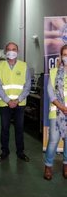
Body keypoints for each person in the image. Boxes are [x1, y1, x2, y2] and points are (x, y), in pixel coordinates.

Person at [0, 42, 31, 162]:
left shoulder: (24, 66)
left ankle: (20, 152)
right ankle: (4, 151)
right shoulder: (0, 66)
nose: (11, 51)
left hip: (19, 104)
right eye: (9, 49)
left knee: (19, 129)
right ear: (5, 52)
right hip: (4, 104)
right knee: (5, 128)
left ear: (18, 51)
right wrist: (8, 100)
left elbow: (27, 86)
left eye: (14, 49)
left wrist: (17, 100)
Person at [44, 45, 67, 180]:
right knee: (53, 141)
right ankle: (48, 166)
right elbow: (50, 92)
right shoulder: (53, 71)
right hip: (56, 112)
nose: (66, 57)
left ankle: (65, 165)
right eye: (64, 54)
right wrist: (62, 107)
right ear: (61, 56)